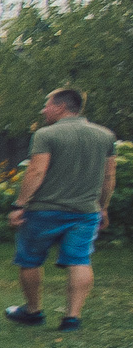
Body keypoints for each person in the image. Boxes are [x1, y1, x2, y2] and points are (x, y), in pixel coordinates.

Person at [6, 87, 116, 332]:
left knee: (30, 260)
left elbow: (36, 171)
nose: (44, 110)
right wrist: (103, 208)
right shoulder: (105, 135)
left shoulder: (46, 135)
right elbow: (109, 177)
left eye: (47, 105)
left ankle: (33, 312)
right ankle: (71, 318)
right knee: (79, 260)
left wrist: (19, 204)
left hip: (44, 211)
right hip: (85, 212)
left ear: (61, 107)